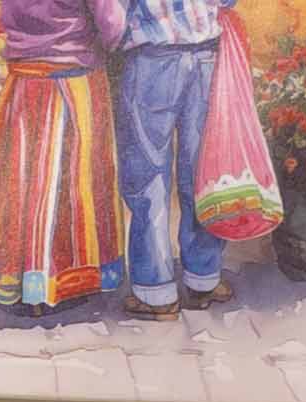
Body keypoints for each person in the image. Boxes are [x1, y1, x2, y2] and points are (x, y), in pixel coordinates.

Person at [0, 0, 131, 314]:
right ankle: (56, 283)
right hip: (73, 82)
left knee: (22, 181)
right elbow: (113, 27)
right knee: (72, 182)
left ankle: (17, 281)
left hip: (23, 82)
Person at [113, 0, 241, 318]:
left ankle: (155, 290)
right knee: (202, 172)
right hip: (206, 57)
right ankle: (204, 278)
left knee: (148, 177)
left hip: (151, 59)